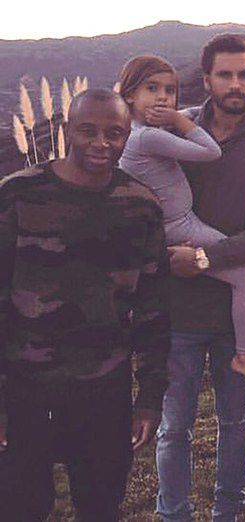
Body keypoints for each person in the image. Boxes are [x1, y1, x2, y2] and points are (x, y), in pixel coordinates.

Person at [0, 88, 170, 521]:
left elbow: (153, 308)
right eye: (88, 131)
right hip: (24, 388)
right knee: (20, 506)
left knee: (99, 506)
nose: (101, 143)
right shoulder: (18, 195)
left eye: (114, 133)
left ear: (127, 135)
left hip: (103, 390)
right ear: (68, 130)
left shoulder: (141, 206)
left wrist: (150, 398)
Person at [155, 34, 245, 521]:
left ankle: (227, 514)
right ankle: (172, 514)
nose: (235, 84)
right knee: (173, 427)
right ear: (207, 79)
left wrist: (203, 258)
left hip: (235, 315)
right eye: (225, 74)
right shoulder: (174, 131)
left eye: (244, 74)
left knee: (235, 422)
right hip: (176, 306)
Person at [117, 54, 245, 387]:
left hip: (172, 226)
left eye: (169, 90)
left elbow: (186, 116)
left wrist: (184, 115)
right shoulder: (147, 137)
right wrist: (180, 119)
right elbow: (210, 151)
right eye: (151, 88)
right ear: (129, 94)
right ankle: (244, 356)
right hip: (180, 226)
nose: (163, 97)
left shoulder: (137, 132)